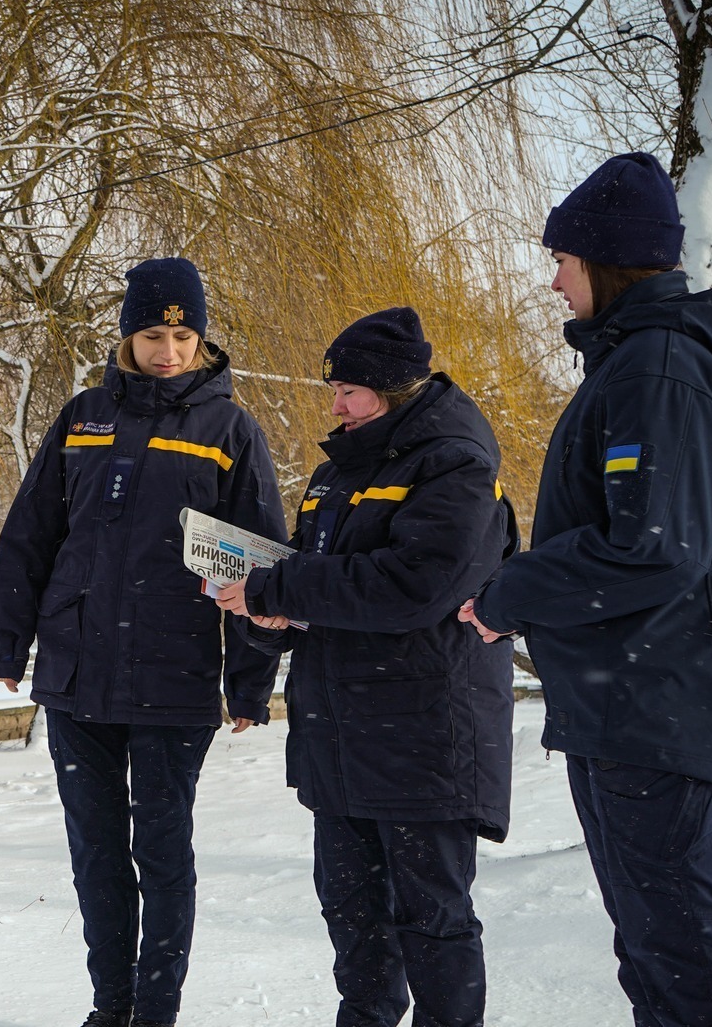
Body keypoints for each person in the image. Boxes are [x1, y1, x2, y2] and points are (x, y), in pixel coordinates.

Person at [458, 151, 712, 1027]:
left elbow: (657, 549)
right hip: (631, 707)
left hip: (653, 712)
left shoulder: (658, 369)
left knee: (684, 962)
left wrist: (512, 592)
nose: (554, 280)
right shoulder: (635, 363)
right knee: (656, 954)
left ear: (606, 260)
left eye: (563, 259)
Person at [0, 257, 286, 1027]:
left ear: (202, 341)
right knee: (95, 854)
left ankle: (155, 1012)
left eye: (184, 337)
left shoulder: (228, 430)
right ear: (128, 336)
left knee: (161, 851)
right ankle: (109, 1007)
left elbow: (258, 563)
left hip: (174, 680)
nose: (170, 352)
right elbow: (30, 536)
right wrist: (9, 643)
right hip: (78, 674)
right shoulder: (84, 416)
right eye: (154, 334)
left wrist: (249, 680)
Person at [214, 308, 516, 1027]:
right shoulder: (333, 475)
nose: (336, 404)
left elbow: (413, 586)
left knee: (432, 923)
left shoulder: (457, 466)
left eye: (349, 389)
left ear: (393, 386)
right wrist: (265, 615)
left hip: (423, 743)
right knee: (354, 926)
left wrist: (282, 589)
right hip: (339, 740)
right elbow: (314, 584)